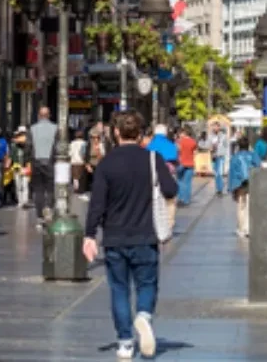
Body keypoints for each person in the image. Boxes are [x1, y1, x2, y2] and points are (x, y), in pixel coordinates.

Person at [83, 110, 179, 360]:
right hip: (145, 235)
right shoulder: (152, 159)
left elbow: (97, 203)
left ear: (116, 132)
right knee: (147, 284)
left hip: (115, 237)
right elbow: (170, 190)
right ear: (140, 134)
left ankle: (125, 342)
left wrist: (89, 235)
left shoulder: (106, 163)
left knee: (119, 289)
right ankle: (144, 316)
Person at [29, 108, 59, 225]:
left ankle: (40, 215)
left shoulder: (32, 129)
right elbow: (57, 146)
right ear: (49, 115)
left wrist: (28, 161)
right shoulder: (55, 128)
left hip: (36, 162)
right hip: (50, 162)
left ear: (39, 116)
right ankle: (48, 208)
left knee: (38, 189)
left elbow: (29, 146)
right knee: (50, 188)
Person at [228, 136, 261, 238]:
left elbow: (232, 173)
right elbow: (259, 165)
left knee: (241, 206)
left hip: (239, 183)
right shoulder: (253, 155)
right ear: (248, 146)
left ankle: (241, 228)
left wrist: (231, 188)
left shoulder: (235, 157)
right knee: (250, 205)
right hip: (252, 181)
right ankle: (248, 228)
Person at [175, 127, 197, 206]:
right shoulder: (193, 141)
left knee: (180, 181)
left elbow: (177, 150)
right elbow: (195, 152)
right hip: (190, 164)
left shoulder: (179, 141)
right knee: (187, 183)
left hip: (181, 163)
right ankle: (187, 200)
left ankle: (181, 199)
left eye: (180, 133)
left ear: (183, 133)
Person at [208, 122, 230, 196]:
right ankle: (217, 188)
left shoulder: (223, 136)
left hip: (220, 156)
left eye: (216, 127)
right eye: (213, 127)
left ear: (219, 127)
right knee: (216, 173)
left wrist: (226, 157)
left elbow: (227, 146)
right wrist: (210, 147)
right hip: (213, 156)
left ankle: (220, 189)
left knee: (220, 173)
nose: (214, 128)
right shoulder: (210, 136)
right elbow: (208, 144)